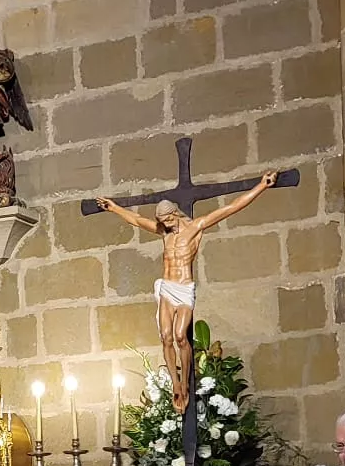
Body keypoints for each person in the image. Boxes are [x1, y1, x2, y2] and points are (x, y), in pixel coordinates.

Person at [94, 174, 275, 410]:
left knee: (181, 336)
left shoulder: (195, 227)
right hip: (167, 287)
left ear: (175, 214)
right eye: (162, 221)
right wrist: (114, 208)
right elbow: (137, 220)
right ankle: (175, 384)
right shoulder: (163, 232)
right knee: (166, 337)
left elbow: (231, 208)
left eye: (168, 219)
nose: (166, 224)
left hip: (185, 288)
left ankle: (187, 385)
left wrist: (261, 186)